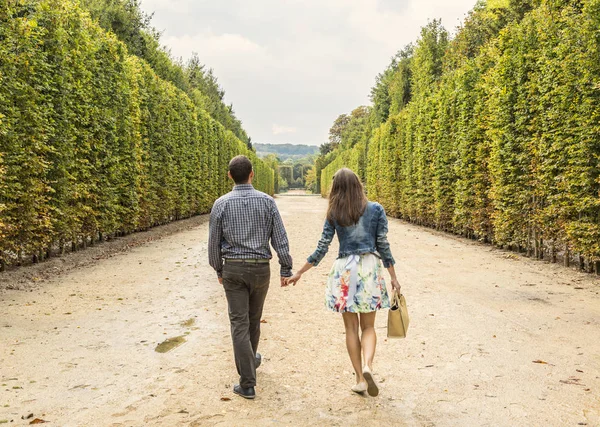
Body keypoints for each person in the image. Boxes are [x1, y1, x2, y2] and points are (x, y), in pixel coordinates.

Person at [286, 168, 400, 397]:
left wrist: (300, 271)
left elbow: (322, 247)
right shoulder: (376, 209)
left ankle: (359, 378)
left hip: (346, 271)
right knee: (368, 327)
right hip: (369, 268)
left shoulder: (334, 212)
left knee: (351, 328)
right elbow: (383, 245)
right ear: (359, 185)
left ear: (335, 188)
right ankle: (368, 364)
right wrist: (393, 276)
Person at [209, 155, 293, 400]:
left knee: (239, 323)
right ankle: (250, 362)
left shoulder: (221, 204)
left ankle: (247, 382)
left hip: (233, 268)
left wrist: (219, 269)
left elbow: (213, 243)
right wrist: (285, 267)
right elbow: (280, 238)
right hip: (260, 269)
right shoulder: (267, 202)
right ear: (252, 174)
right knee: (253, 320)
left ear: (229, 175)